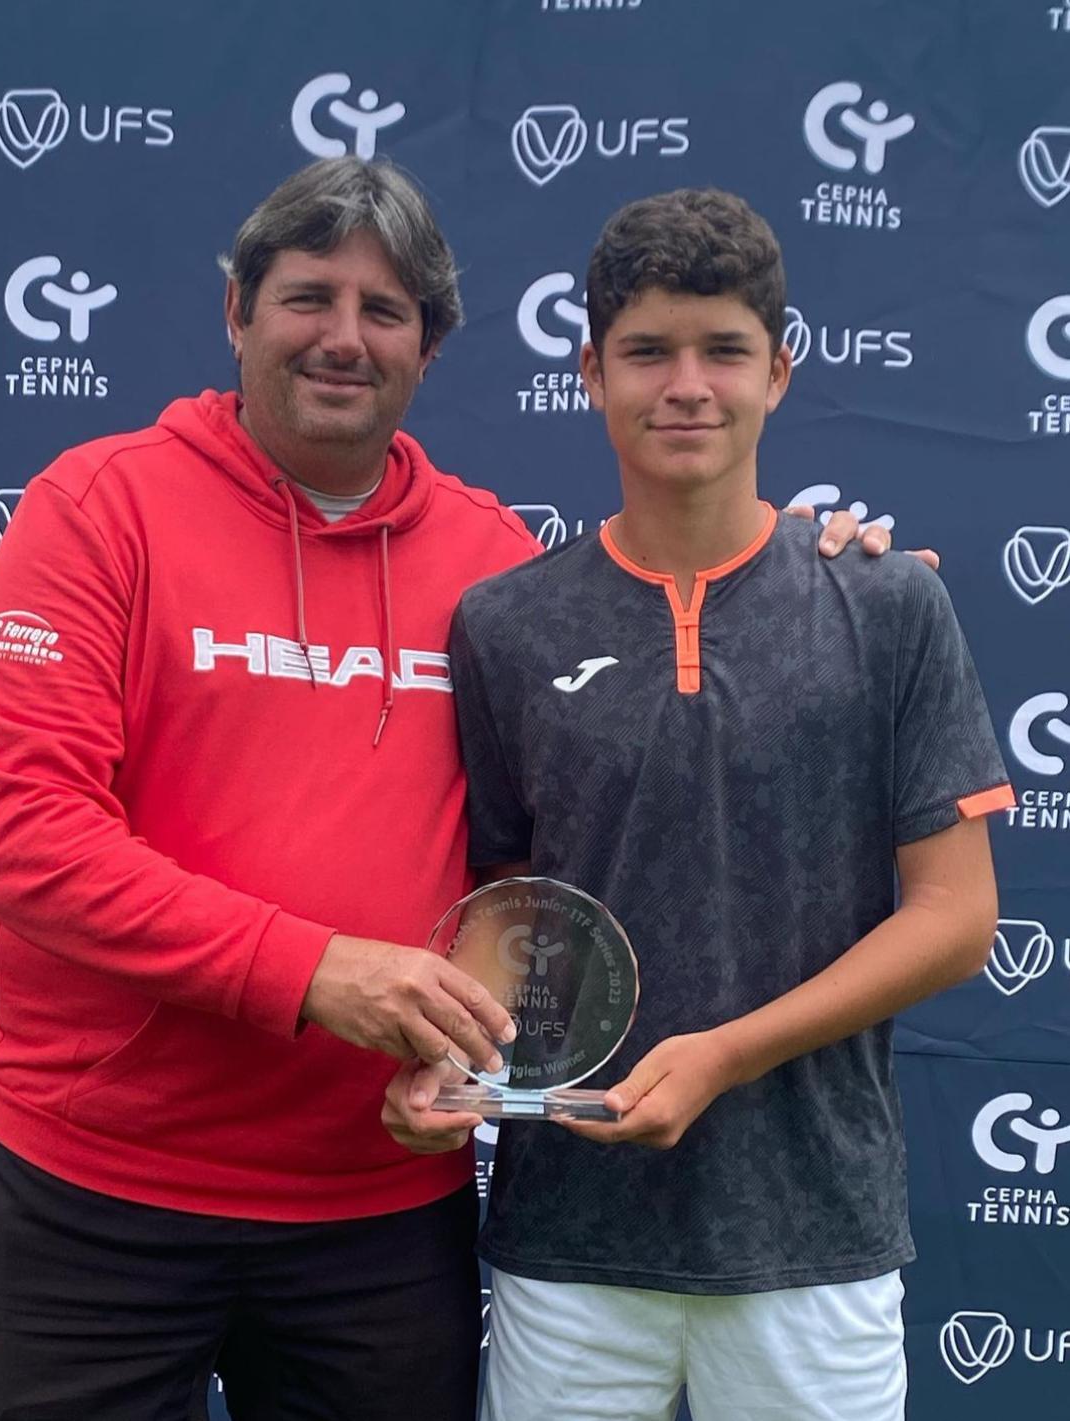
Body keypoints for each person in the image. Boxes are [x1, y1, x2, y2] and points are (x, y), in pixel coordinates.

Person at [0, 157, 907, 1421]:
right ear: (236, 310)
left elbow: (528, 874)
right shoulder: (95, 510)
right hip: (99, 1196)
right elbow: (30, 839)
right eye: (309, 297)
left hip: (381, 1209)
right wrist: (312, 969)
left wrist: (821, 570)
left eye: (385, 310)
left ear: (431, 346)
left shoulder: (496, 567)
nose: (344, 336)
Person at [384, 188, 1013, 1421]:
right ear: (589, 372)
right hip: (570, 1240)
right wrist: (449, 1066)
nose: (686, 386)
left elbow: (957, 918)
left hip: (813, 1241)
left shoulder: (889, 603)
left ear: (779, 370)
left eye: (723, 350)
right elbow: (507, 920)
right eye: (647, 352)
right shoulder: (504, 624)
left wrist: (725, 1054)